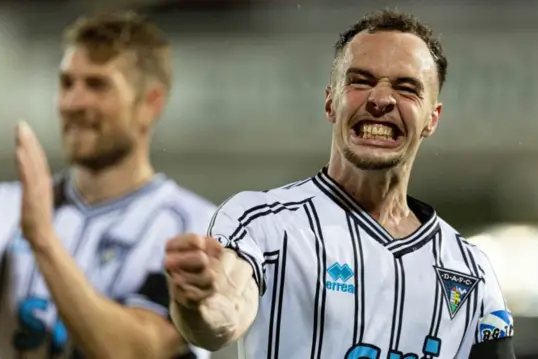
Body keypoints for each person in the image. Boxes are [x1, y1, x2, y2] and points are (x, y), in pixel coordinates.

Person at [164, 9, 516, 359]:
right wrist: (199, 304)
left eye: (407, 88)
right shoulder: (262, 223)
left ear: (432, 119)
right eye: (360, 81)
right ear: (331, 102)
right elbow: (222, 317)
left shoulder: (470, 270)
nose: (380, 100)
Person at [0, 13, 213, 359]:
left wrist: (42, 239)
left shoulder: (191, 227)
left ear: (151, 103)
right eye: (67, 83)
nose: (73, 103)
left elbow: (138, 351)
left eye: (97, 85)